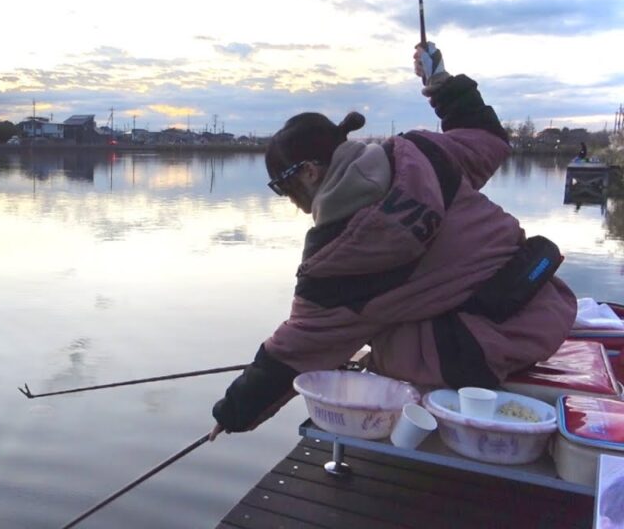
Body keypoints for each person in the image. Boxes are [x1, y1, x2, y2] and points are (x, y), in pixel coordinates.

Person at [210, 43, 578, 439]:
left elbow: (292, 352)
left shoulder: (333, 262)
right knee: (371, 318)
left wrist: (232, 414)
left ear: (311, 174)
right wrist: (440, 82)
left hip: (485, 352)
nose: (294, 204)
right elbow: (486, 138)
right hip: (548, 307)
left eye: (284, 189)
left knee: (374, 334)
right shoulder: (421, 151)